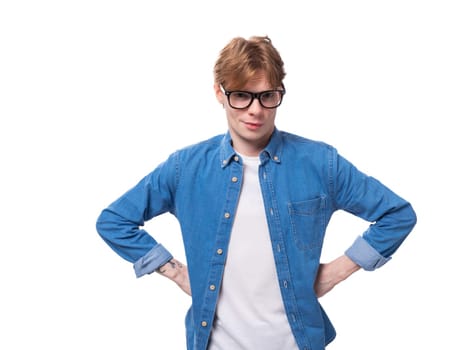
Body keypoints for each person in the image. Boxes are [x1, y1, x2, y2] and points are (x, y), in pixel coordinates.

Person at [96, 35, 417, 350]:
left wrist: (337, 271)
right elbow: (115, 221)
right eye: (241, 96)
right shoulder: (185, 168)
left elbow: (396, 214)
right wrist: (175, 271)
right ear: (219, 93)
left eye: (267, 96)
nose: (255, 110)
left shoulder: (320, 163)